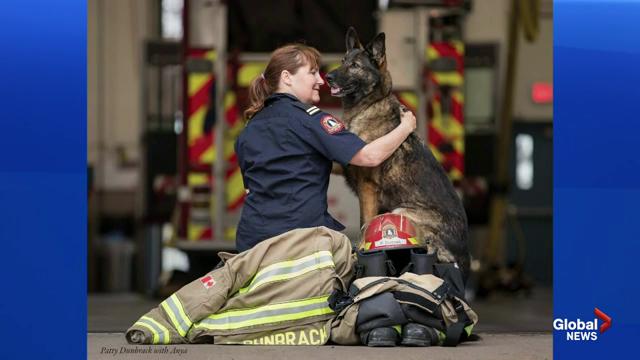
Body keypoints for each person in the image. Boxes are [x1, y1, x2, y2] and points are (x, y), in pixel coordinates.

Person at [234, 43, 416, 252]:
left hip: (251, 246)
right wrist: (406, 127)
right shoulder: (309, 119)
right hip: (299, 245)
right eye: (313, 73)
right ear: (287, 77)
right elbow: (369, 157)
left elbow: (258, 185)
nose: (321, 79)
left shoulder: (248, 131)